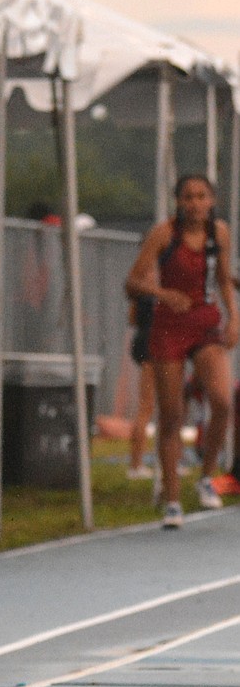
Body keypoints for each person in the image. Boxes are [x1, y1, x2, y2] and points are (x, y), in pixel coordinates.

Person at [126, 175, 239, 528]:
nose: (194, 203)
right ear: (178, 201)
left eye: (201, 196)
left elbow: (222, 278)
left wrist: (234, 318)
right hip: (169, 325)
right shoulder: (164, 234)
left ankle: (207, 475)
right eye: (188, 196)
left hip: (204, 322)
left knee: (222, 400)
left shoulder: (219, 233)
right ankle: (173, 499)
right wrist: (163, 294)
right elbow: (133, 281)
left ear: (211, 200)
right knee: (172, 413)